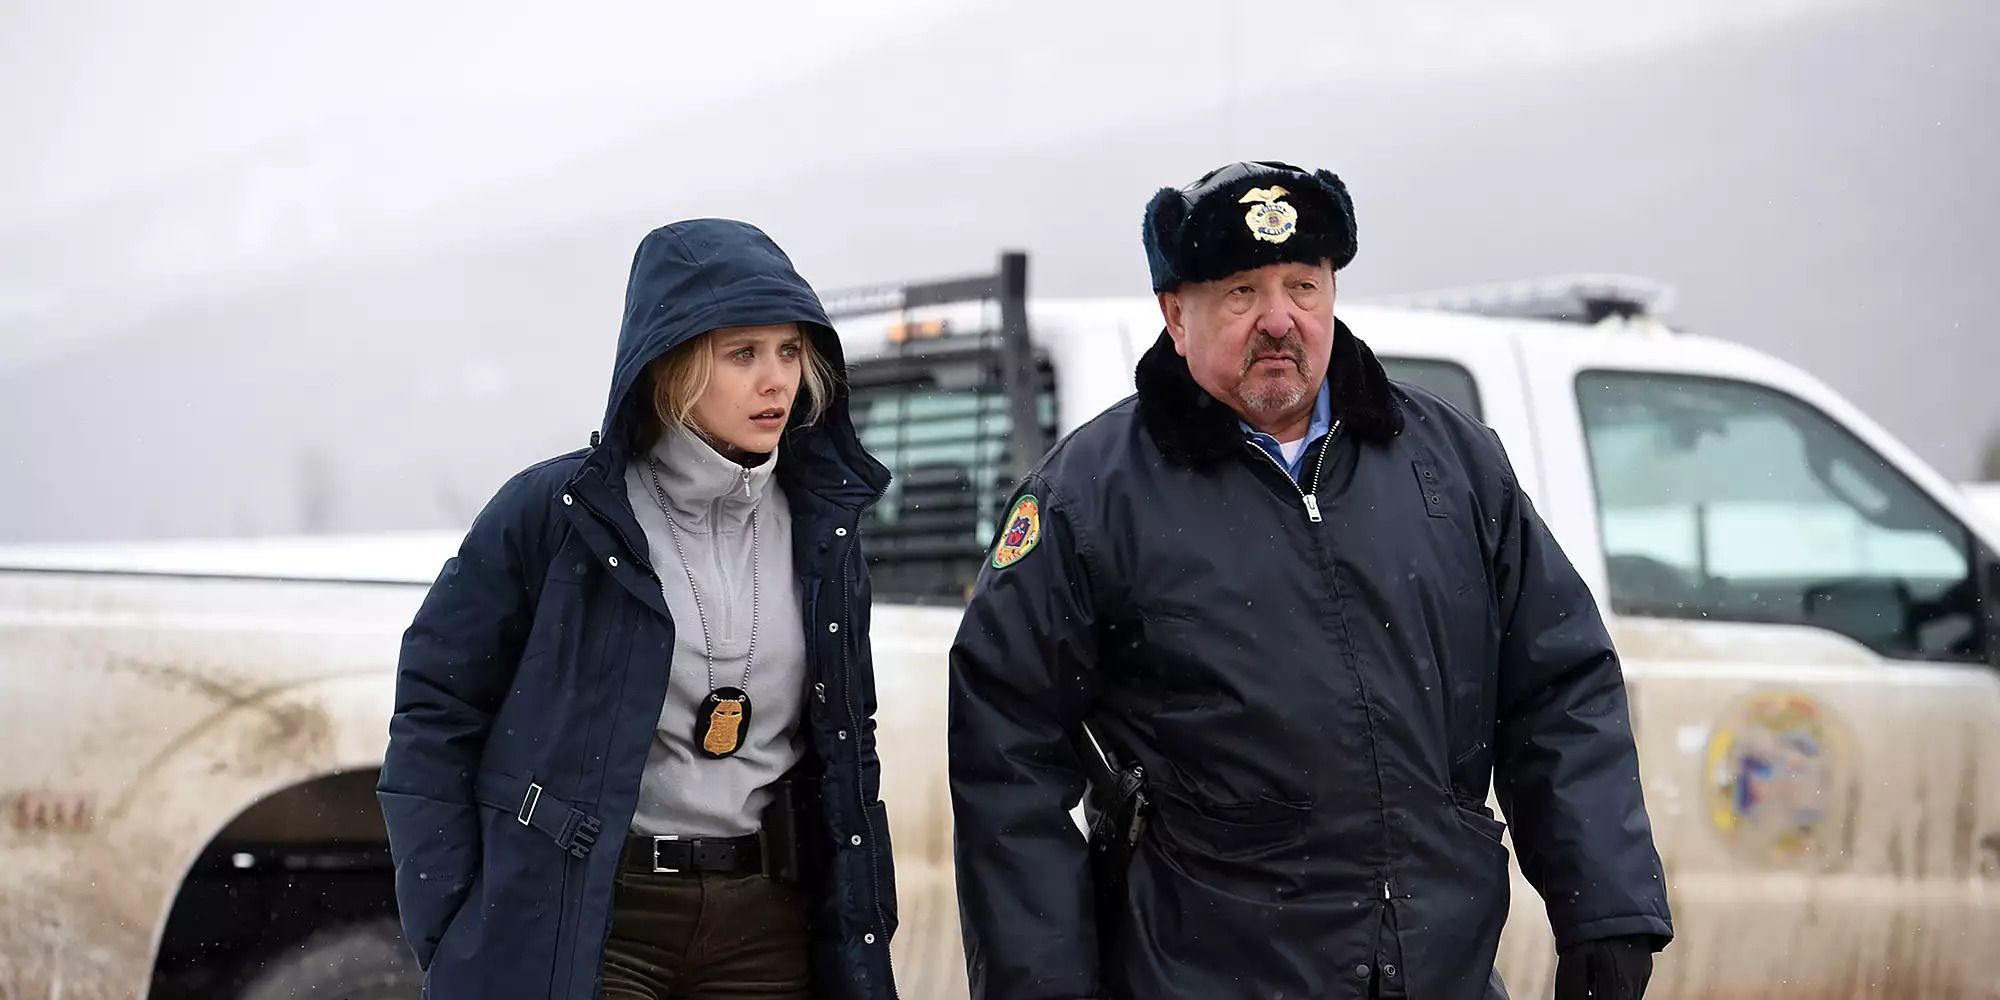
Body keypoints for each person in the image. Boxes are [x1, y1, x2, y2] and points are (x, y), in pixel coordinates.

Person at [947, 161, 1672, 1000]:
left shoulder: (1454, 464)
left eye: (1303, 284)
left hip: (1439, 972)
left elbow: (1559, 686)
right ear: (1176, 316)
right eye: (1242, 293)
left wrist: (1605, 906)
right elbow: (1007, 755)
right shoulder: (1088, 499)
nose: (1280, 320)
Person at [379, 219, 899, 1000]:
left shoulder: (823, 529)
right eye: (743, 354)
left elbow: (846, 744)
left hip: (767, 924)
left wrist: (860, 909)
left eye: (790, 351)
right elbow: (435, 711)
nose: (776, 381)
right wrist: (452, 923)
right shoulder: (557, 516)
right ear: (674, 366)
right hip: (595, 923)